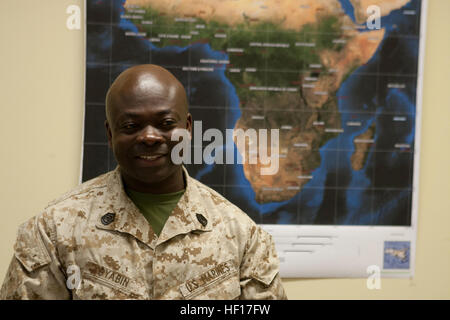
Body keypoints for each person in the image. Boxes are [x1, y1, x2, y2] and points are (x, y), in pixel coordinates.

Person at [0, 64, 287, 300]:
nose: (149, 137)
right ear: (110, 134)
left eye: (165, 124)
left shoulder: (242, 236)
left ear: (187, 129)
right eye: (131, 126)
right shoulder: (54, 231)